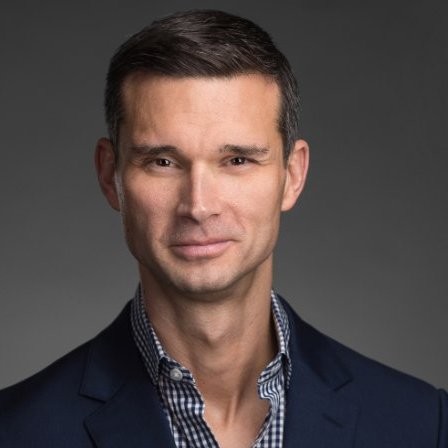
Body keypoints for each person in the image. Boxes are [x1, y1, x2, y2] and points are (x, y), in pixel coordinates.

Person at [0, 9, 446, 448]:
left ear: (292, 176)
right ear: (109, 175)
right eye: (162, 162)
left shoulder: (424, 426)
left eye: (237, 160)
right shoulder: (16, 431)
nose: (199, 206)